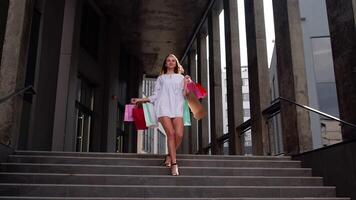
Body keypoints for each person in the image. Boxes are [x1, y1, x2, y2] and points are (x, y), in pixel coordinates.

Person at [131, 54, 190, 176]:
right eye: (168, 60)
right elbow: (155, 96)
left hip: (177, 107)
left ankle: (169, 156)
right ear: (165, 63)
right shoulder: (161, 78)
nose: (170, 62)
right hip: (163, 107)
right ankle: (174, 164)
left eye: (173, 60)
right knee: (171, 134)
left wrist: (186, 83)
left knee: (179, 134)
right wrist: (140, 100)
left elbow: (185, 94)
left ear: (176, 63)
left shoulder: (181, 77)